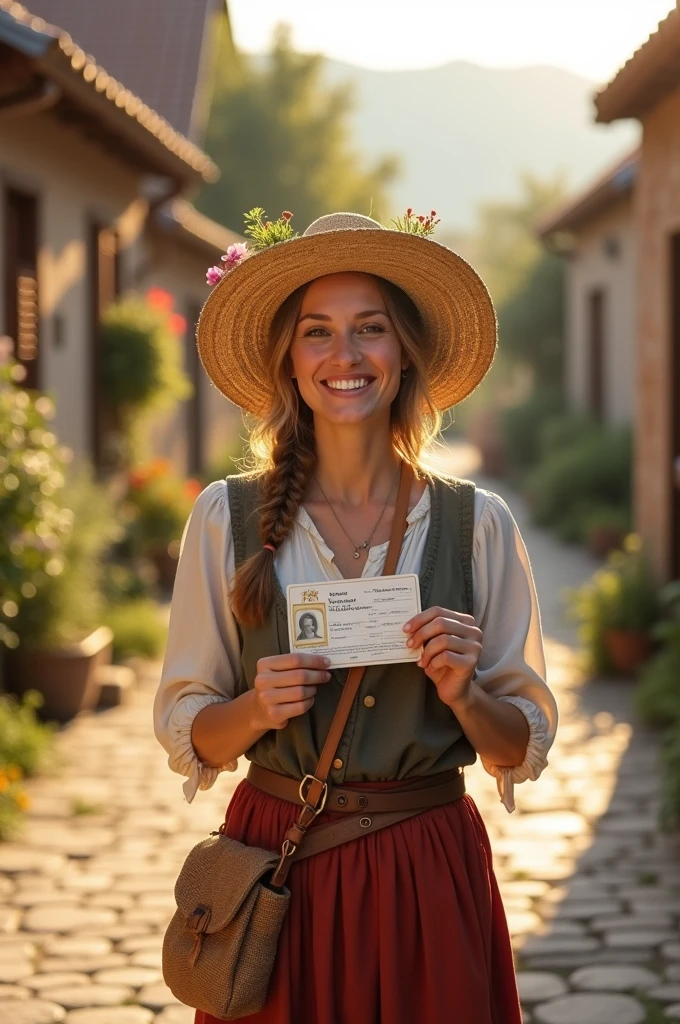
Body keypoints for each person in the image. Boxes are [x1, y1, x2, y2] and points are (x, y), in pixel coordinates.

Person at [154, 211, 558, 1024]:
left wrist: (464, 693)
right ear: (290, 362)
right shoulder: (223, 519)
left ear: (403, 351)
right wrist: (256, 708)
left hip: (426, 868)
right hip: (276, 869)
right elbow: (189, 732)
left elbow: (520, 745)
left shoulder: (478, 524)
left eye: (370, 329)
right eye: (318, 333)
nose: (345, 356)